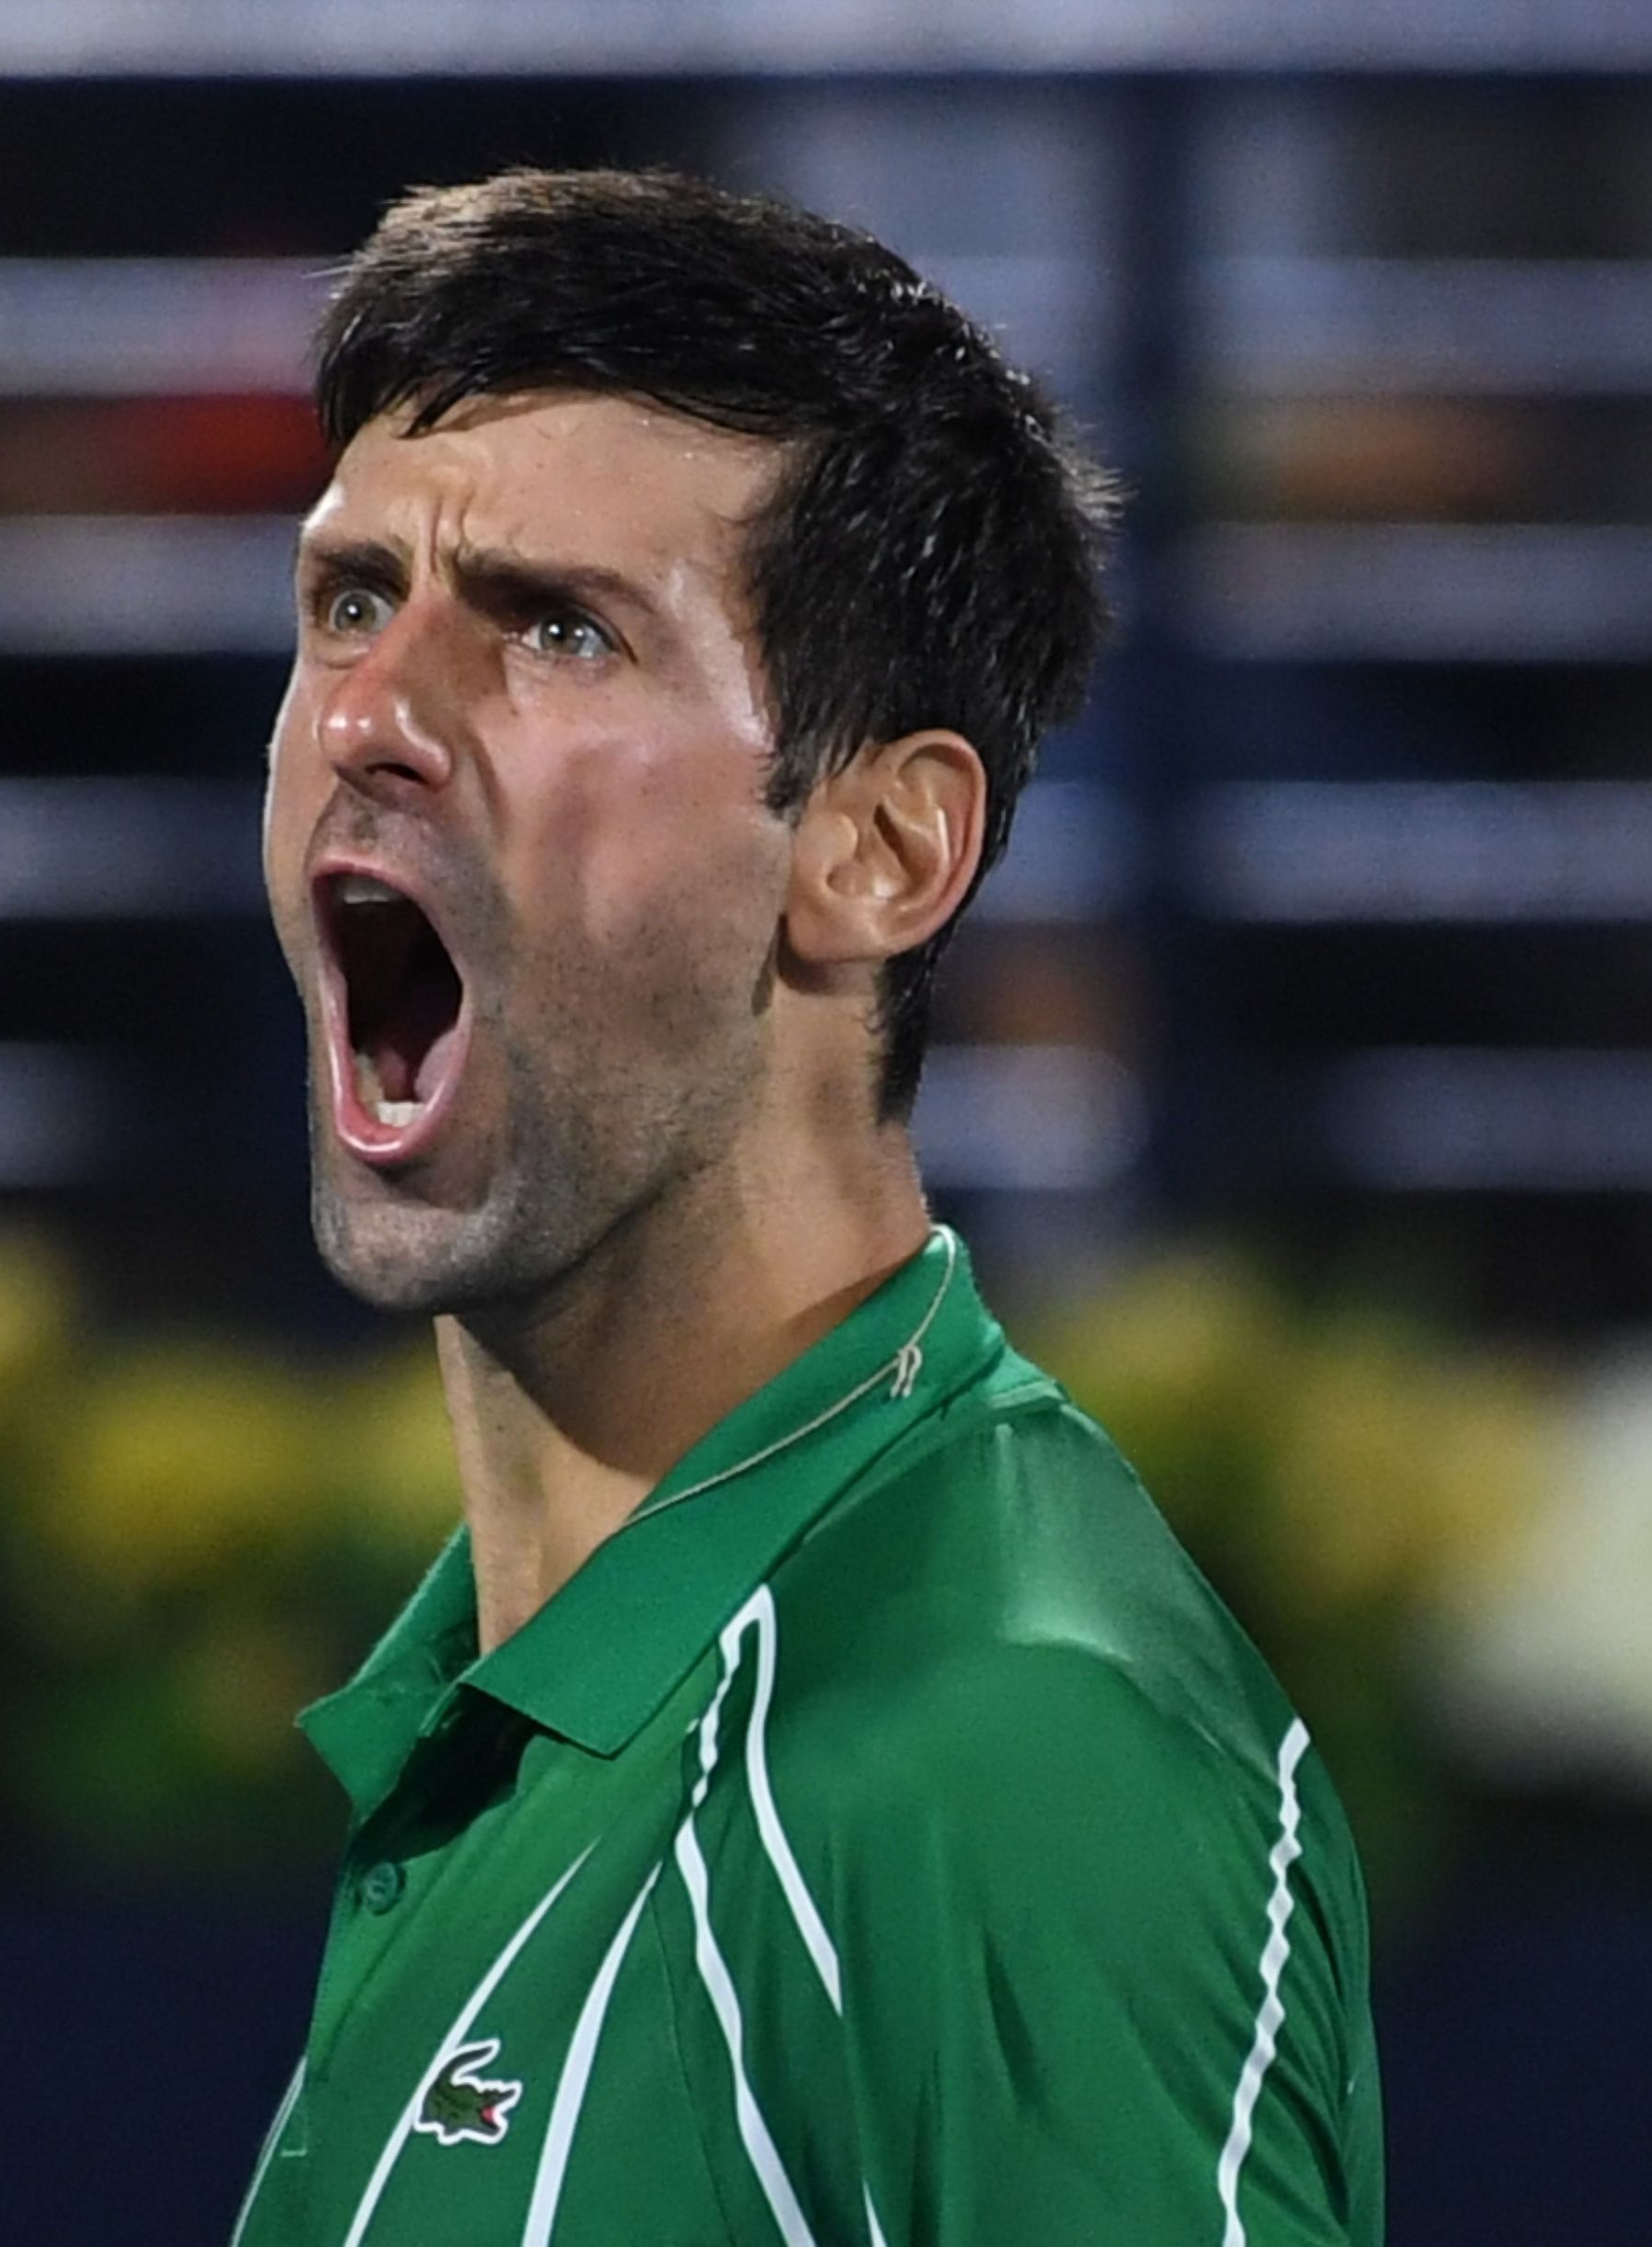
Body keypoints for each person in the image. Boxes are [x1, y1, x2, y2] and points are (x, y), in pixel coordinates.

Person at [235, 168, 1381, 2246]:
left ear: (875, 847)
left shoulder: (1008, 1764)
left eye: (558, 631)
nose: (374, 718)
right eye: (348, 600)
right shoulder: (526, 1711)